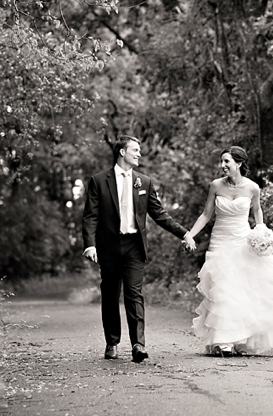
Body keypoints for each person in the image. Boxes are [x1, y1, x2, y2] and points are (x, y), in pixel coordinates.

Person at [82, 135, 195, 363]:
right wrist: (90, 244)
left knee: (134, 294)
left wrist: (184, 233)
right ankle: (112, 342)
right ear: (122, 152)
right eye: (135, 149)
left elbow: (159, 215)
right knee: (111, 295)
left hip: (134, 246)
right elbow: (90, 216)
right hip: (109, 247)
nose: (139, 154)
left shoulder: (144, 182)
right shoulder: (99, 181)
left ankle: (138, 345)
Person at [183, 146, 273, 356]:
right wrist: (190, 234)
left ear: (238, 163)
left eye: (227, 161)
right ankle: (224, 341)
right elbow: (206, 214)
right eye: (222, 161)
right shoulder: (215, 186)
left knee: (241, 290)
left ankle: (240, 340)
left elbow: (257, 212)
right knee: (223, 289)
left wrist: (262, 235)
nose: (223, 166)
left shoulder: (252, 188)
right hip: (220, 240)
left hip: (241, 240)